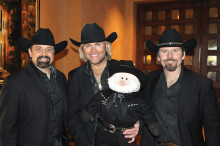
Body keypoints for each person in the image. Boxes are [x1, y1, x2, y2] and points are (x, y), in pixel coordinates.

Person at [140, 29, 220, 146]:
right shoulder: (149, 80)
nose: (170, 56)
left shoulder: (202, 85)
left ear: (183, 55)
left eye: (175, 51)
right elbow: (141, 109)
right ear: (158, 57)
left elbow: (213, 130)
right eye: (164, 51)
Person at [68, 23, 140, 146]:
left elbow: (141, 103)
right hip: (89, 141)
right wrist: (83, 142)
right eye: (87, 46)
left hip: (123, 141)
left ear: (106, 47)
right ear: (82, 50)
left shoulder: (124, 69)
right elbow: (72, 115)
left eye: (97, 44)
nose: (93, 50)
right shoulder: (75, 76)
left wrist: (139, 125)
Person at [0, 28, 68, 146]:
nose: (44, 54)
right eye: (38, 49)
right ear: (30, 52)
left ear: (53, 53)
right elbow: (6, 130)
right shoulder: (14, 83)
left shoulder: (61, 78)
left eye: (48, 49)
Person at [81, 63, 160, 146]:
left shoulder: (139, 99)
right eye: (121, 78)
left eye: (126, 78)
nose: (123, 80)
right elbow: (93, 104)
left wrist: (152, 125)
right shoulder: (102, 95)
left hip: (125, 138)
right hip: (102, 135)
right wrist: (87, 113)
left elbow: (147, 114)